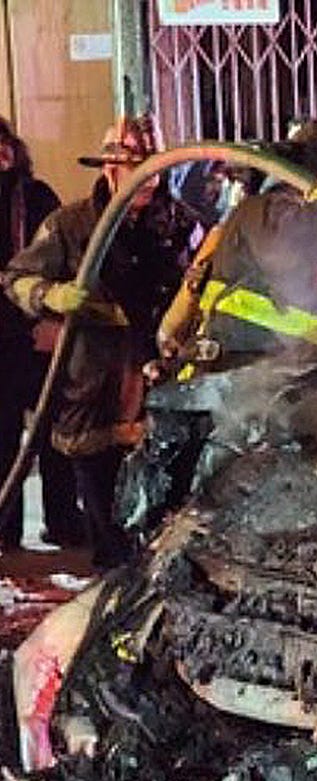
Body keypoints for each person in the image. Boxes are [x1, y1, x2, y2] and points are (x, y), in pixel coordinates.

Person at [130, 121, 317, 537]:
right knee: (214, 533)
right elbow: (296, 252)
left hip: (265, 402)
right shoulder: (270, 211)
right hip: (230, 403)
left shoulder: (301, 223)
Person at [2, 116, 193, 570]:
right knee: (105, 512)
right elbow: (15, 277)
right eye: (136, 168)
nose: (149, 179)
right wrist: (51, 295)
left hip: (160, 383)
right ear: (110, 169)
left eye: (155, 168)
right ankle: (112, 577)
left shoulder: (180, 224)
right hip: (94, 383)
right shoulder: (71, 226)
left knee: (160, 509)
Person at [0, 117, 81, 551]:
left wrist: (51, 316)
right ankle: (6, 529)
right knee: (2, 439)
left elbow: (62, 262)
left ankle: (63, 519)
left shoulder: (35, 197)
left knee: (55, 432)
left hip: (35, 333)